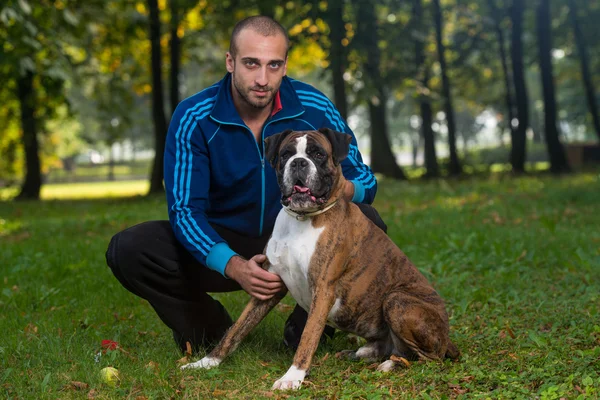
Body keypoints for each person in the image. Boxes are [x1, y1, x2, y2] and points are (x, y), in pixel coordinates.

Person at [105, 15, 387, 353]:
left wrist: (338, 189)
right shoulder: (193, 116)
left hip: (300, 235)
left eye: (274, 65)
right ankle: (210, 329)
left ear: (285, 66)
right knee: (130, 249)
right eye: (251, 64)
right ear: (230, 62)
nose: (262, 79)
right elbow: (184, 210)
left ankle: (305, 327)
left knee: (368, 220)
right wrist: (233, 265)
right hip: (222, 238)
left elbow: (365, 180)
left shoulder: (315, 106)